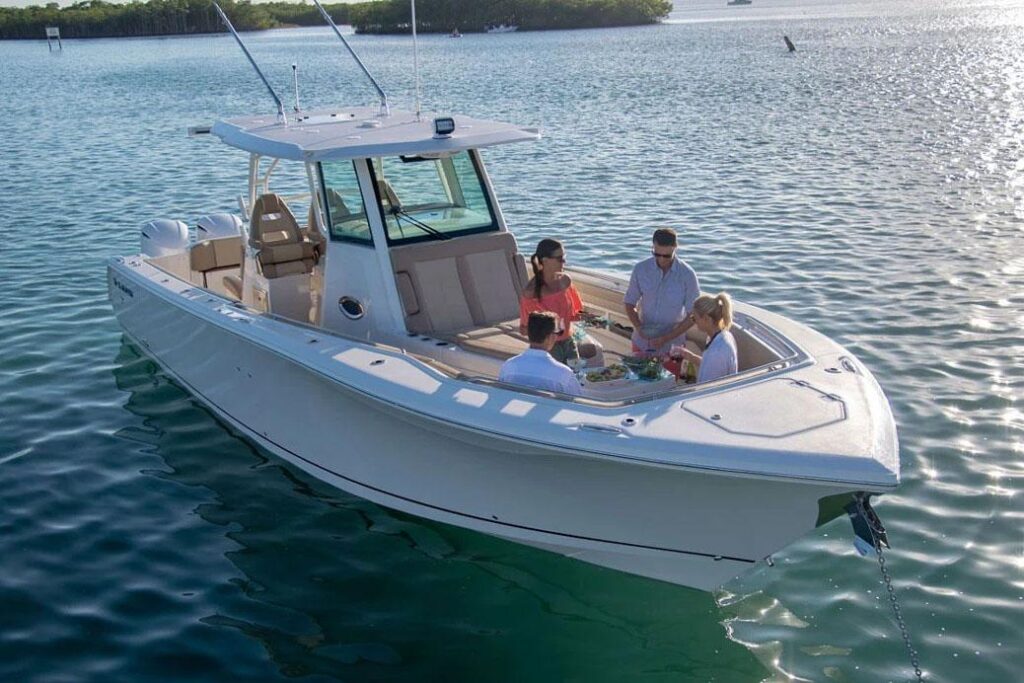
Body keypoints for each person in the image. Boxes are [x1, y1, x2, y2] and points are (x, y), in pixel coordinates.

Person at [623, 227, 701, 356]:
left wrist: (667, 338)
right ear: (652, 247)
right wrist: (639, 328)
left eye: (667, 256)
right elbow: (629, 302)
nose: (662, 259)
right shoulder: (640, 269)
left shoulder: (688, 275)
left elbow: (693, 315)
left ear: (675, 248)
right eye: (657, 254)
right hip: (642, 343)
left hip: (672, 347)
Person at [519, 238, 584, 364]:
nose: (564, 261)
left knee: (576, 374)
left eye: (564, 257)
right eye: (560, 258)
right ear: (545, 260)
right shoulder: (531, 293)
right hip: (547, 348)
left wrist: (598, 320)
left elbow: (576, 313)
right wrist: (547, 329)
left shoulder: (565, 281)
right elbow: (524, 329)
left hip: (569, 341)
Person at [500, 311, 582, 396]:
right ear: (551, 337)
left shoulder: (508, 367)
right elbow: (577, 400)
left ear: (529, 333)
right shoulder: (564, 374)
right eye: (558, 332)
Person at [675, 292, 738, 384]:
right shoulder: (724, 336)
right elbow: (712, 366)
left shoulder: (717, 352)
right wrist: (691, 357)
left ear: (706, 318)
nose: (694, 322)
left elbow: (707, 387)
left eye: (694, 318)